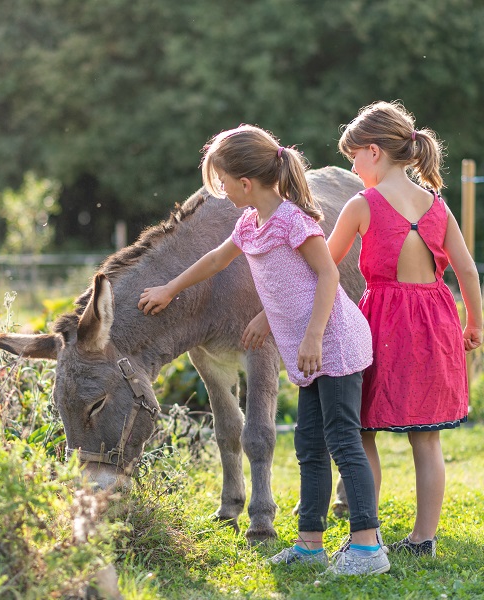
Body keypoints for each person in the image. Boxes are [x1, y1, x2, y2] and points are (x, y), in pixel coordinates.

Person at [138, 125, 389, 575]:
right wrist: (170, 289)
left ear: (246, 183)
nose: (220, 192)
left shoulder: (294, 221)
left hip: (333, 343)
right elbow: (217, 261)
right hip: (307, 350)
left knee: (342, 442)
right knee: (310, 447)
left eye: (223, 182)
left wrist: (312, 335)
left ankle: (368, 547)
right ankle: (310, 543)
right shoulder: (250, 224)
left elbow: (327, 275)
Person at [325, 101, 482, 557]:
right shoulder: (436, 205)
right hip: (436, 321)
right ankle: (423, 540)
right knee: (427, 438)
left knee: (362, 432)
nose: (352, 168)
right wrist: (475, 323)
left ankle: (367, 536)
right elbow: (467, 271)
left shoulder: (362, 204)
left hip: (382, 324)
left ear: (373, 151)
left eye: (352, 157)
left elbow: (325, 267)